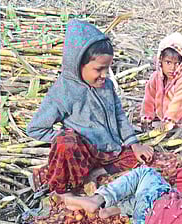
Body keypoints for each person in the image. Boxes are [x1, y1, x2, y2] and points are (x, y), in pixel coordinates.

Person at [27, 19, 153, 194]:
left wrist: (134, 143)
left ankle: (97, 173)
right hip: (81, 156)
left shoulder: (107, 86)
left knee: (148, 161)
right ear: (78, 64)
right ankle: (72, 185)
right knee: (66, 143)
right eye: (99, 69)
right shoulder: (63, 92)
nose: (104, 75)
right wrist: (72, 139)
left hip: (110, 153)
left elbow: (119, 116)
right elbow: (35, 128)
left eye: (107, 69)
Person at [140, 33, 182, 143]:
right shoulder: (156, 78)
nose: (172, 68)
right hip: (162, 120)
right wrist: (147, 117)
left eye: (177, 63)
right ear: (160, 60)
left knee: (172, 142)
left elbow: (178, 104)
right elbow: (149, 98)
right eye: (168, 62)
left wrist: (168, 122)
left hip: (179, 124)